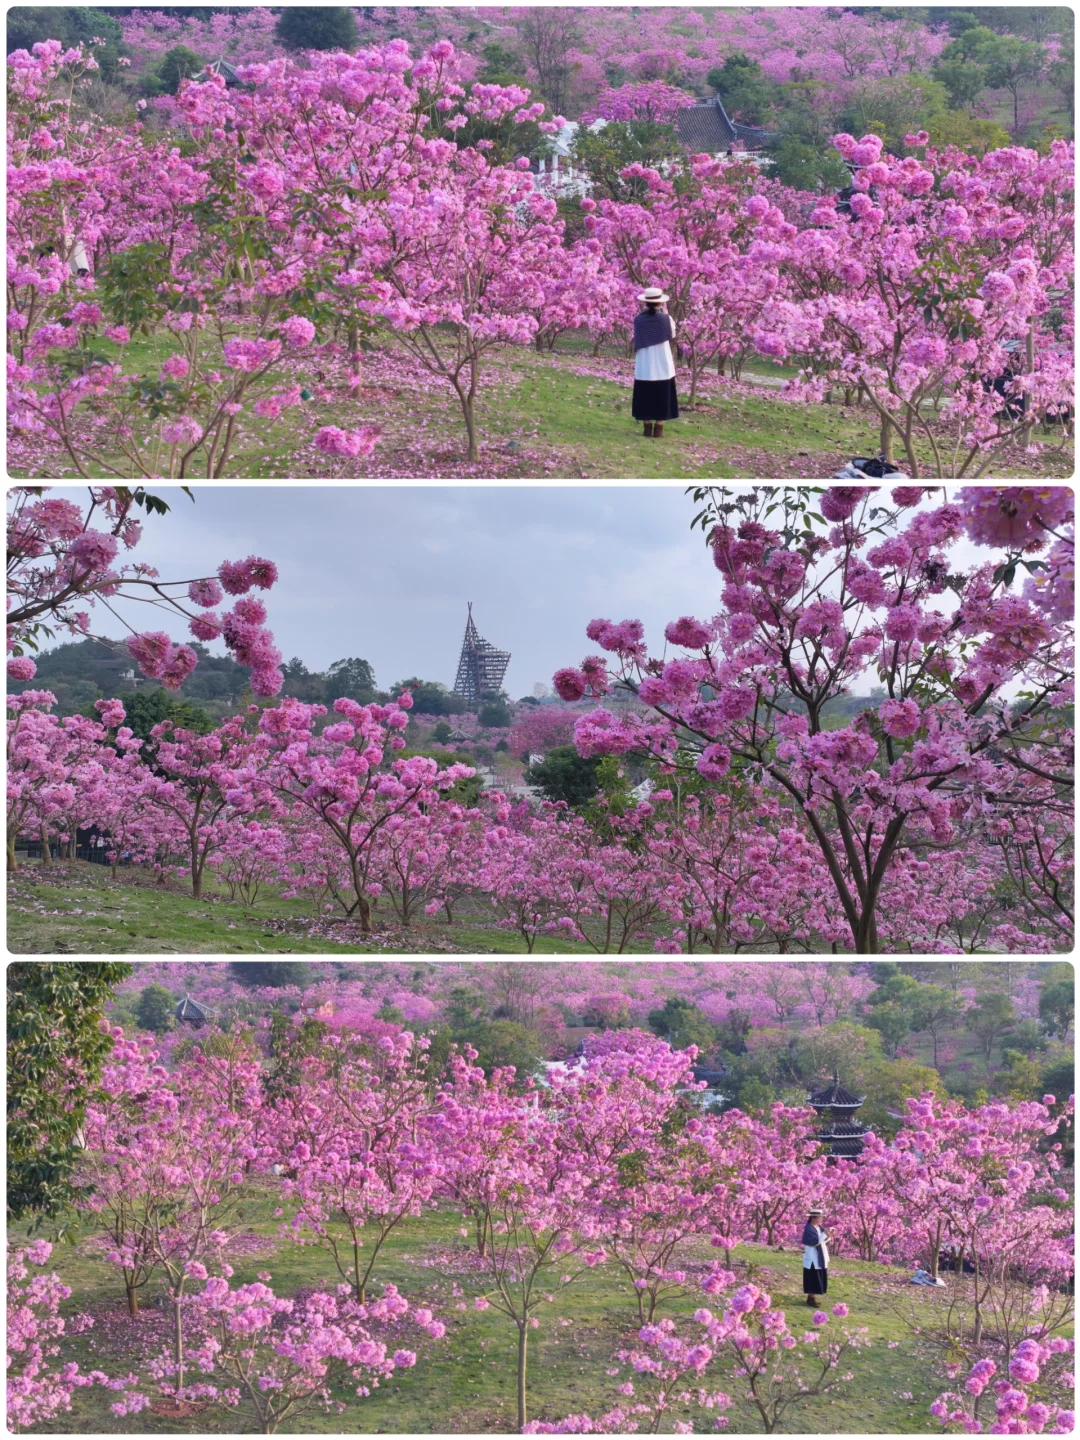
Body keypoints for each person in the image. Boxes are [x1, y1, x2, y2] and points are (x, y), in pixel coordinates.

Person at [632, 285, 679, 438]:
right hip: (662, 362)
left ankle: (646, 427)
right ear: (660, 303)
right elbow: (672, 333)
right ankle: (659, 427)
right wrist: (666, 315)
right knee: (661, 394)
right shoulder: (666, 319)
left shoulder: (639, 320)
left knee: (645, 395)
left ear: (645, 303)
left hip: (645, 364)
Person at [802, 1206, 829, 1305]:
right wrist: (825, 1234)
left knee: (816, 1278)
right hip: (812, 1258)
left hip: (819, 1257)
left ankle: (811, 1298)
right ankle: (811, 1299)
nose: (821, 1219)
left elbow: (822, 1240)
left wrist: (828, 1235)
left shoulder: (819, 1228)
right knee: (813, 1278)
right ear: (813, 1218)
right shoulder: (809, 1228)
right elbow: (814, 1242)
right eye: (819, 1218)